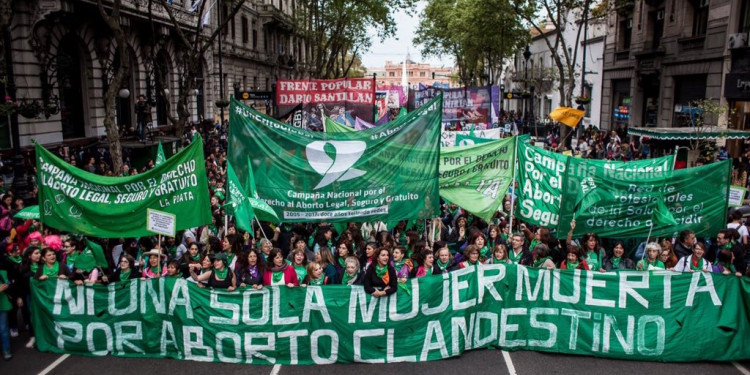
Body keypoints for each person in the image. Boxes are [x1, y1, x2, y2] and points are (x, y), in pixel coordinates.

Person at [0, 264, 12, 359]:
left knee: (3, 329)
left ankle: (6, 349)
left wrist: (7, 284)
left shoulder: (3, 272)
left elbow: (8, 283)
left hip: (2, 304)